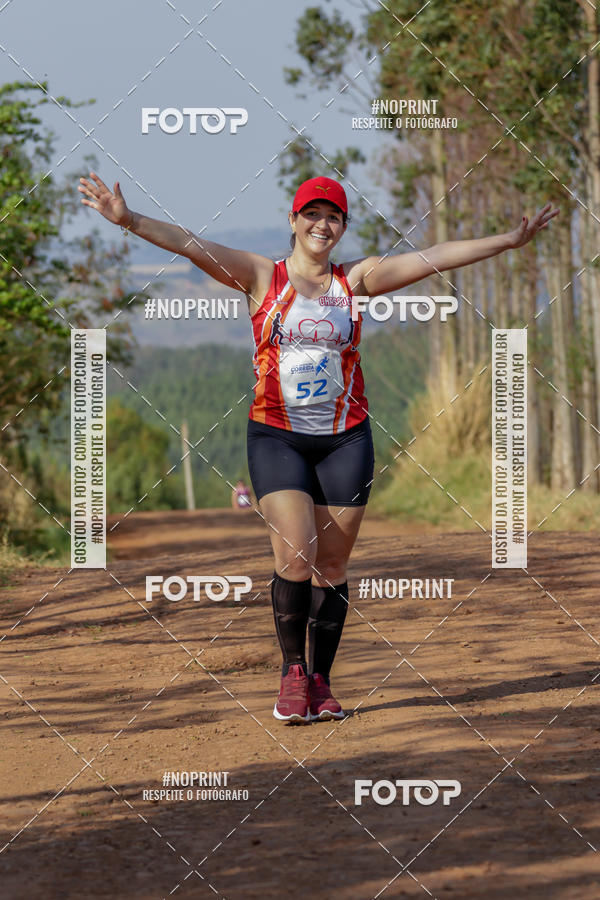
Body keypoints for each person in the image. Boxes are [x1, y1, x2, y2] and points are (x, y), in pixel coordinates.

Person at [79, 171, 558, 724]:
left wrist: (507, 241)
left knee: (332, 564)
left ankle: (323, 681)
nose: (321, 224)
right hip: (277, 435)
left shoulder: (354, 282)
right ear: (293, 220)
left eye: (332, 216)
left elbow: (434, 257)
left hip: (345, 440)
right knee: (297, 553)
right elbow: (193, 245)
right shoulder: (264, 276)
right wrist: (130, 220)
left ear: (342, 227)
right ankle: (292, 673)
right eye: (312, 213)